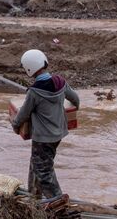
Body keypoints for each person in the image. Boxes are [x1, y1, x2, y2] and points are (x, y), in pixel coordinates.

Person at [11, 49, 80, 199]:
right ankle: (34, 198)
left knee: (44, 172)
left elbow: (23, 113)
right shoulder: (60, 82)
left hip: (43, 139)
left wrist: (15, 125)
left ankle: (58, 203)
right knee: (36, 164)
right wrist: (75, 108)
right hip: (58, 134)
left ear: (29, 69)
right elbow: (75, 98)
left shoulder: (34, 92)